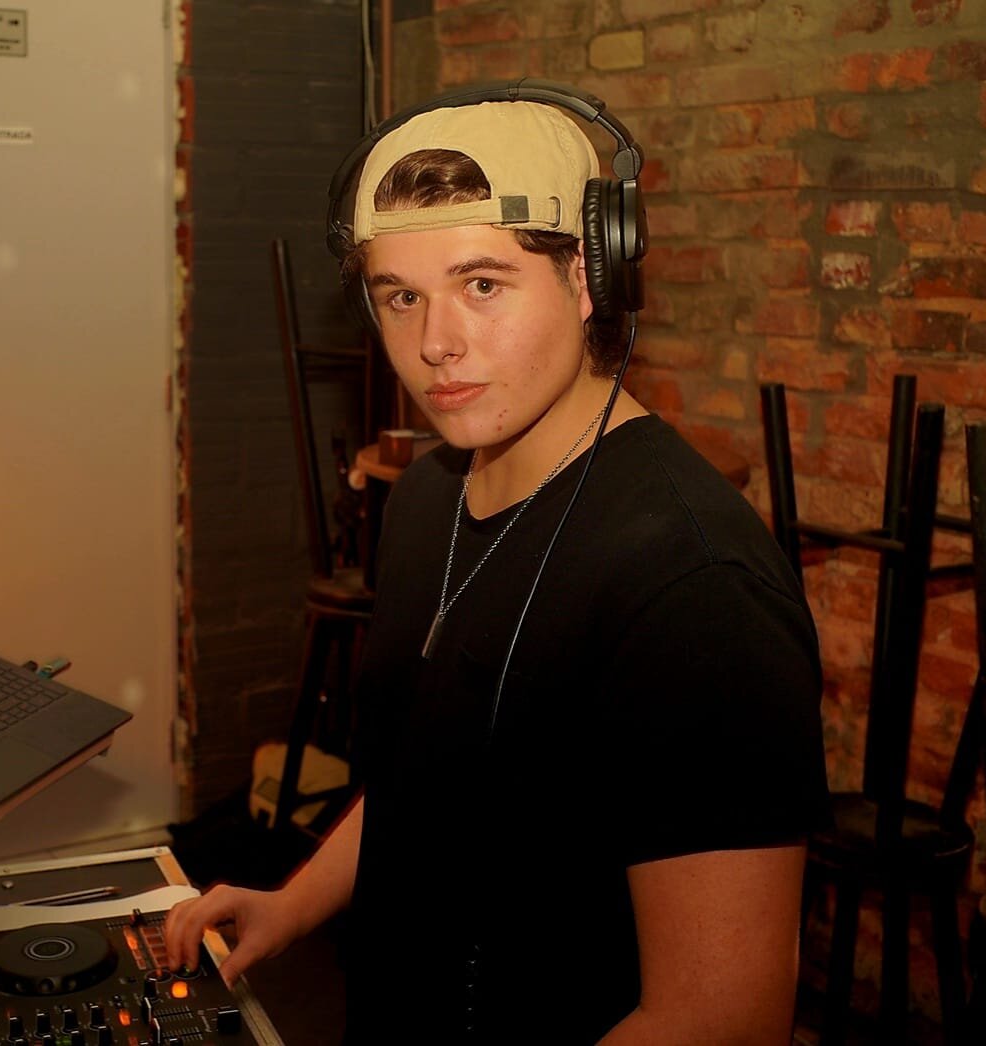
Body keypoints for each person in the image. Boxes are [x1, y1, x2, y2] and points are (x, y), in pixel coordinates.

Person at [166, 88, 830, 1043]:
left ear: (590, 277)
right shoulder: (427, 499)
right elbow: (426, 773)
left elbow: (721, 1016)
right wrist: (295, 904)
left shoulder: (695, 587)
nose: (435, 343)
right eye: (401, 296)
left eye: (481, 284)